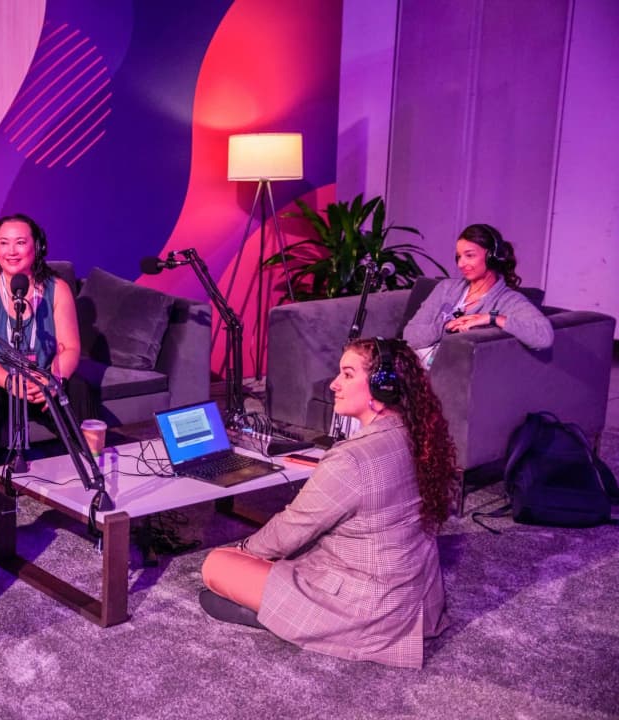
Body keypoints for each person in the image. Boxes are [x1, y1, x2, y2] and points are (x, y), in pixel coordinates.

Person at [199, 337, 457, 669]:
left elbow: (293, 526)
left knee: (216, 565)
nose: (334, 384)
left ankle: (289, 620)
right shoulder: (417, 433)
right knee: (272, 562)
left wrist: (244, 549)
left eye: (347, 375)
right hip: (415, 596)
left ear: (383, 387)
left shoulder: (352, 459)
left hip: (371, 607)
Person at [0, 214, 97, 526]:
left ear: (38, 247)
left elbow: (69, 348)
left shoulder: (57, 289)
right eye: (4, 243)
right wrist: (9, 380)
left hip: (41, 375)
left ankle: (86, 480)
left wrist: (54, 380)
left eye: (20, 242)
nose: (11, 251)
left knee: (79, 389)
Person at [403, 223, 553, 367]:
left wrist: (492, 317)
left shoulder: (509, 301)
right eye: (458, 257)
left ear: (491, 257)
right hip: (412, 366)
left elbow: (543, 337)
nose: (461, 264)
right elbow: (409, 335)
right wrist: (445, 326)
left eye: (469, 255)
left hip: (447, 376)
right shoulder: (445, 288)